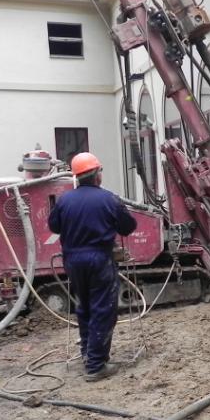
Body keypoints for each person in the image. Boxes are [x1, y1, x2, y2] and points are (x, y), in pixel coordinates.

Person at [48, 152, 137, 382]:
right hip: (99, 259)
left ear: (77, 177)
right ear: (97, 174)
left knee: (84, 306)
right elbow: (128, 226)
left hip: (73, 261)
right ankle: (96, 366)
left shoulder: (65, 200)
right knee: (103, 309)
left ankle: (88, 354)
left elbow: (54, 226)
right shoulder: (109, 199)